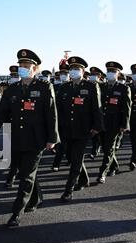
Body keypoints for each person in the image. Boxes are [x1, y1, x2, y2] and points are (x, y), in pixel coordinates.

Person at [0, 49, 58, 227]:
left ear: (35, 68)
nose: (23, 68)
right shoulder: (13, 89)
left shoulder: (44, 87)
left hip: (35, 140)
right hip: (16, 138)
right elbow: (2, 112)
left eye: (27, 66)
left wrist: (52, 137)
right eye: (21, 65)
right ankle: (36, 198)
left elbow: (51, 114)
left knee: (25, 177)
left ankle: (16, 212)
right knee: (27, 172)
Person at [57, 56, 104, 203]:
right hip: (66, 129)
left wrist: (97, 126)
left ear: (83, 71)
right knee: (71, 157)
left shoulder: (91, 86)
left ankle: (68, 190)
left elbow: (97, 108)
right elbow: (58, 110)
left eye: (77, 69)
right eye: (71, 69)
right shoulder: (64, 87)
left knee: (76, 159)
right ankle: (83, 179)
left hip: (83, 129)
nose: (73, 71)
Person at [97, 62, 132, 184]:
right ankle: (114, 166)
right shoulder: (100, 86)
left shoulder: (123, 88)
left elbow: (127, 108)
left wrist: (124, 124)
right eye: (109, 71)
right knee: (107, 148)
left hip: (115, 123)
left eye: (113, 71)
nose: (110, 73)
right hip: (101, 123)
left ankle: (102, 173)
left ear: (118, 74)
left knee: (108, 149)